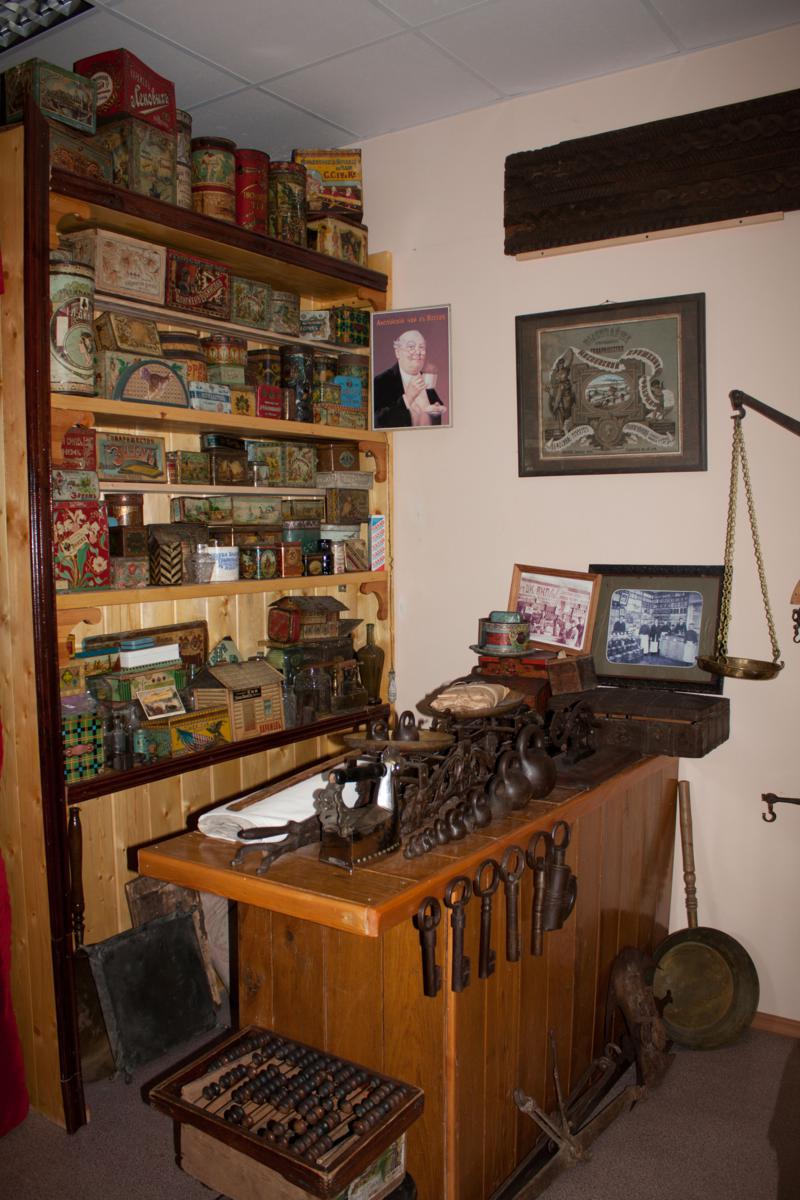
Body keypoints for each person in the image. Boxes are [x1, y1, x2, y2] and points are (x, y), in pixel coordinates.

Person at [373, 329, 446, 429]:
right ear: (398, 352)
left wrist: (436, 409)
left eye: (421, 347)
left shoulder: (426, 378)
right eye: (411, 347)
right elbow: (377, 422)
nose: (418, 352)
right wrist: (408, 398)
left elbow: (436, 416)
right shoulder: (382, 381)